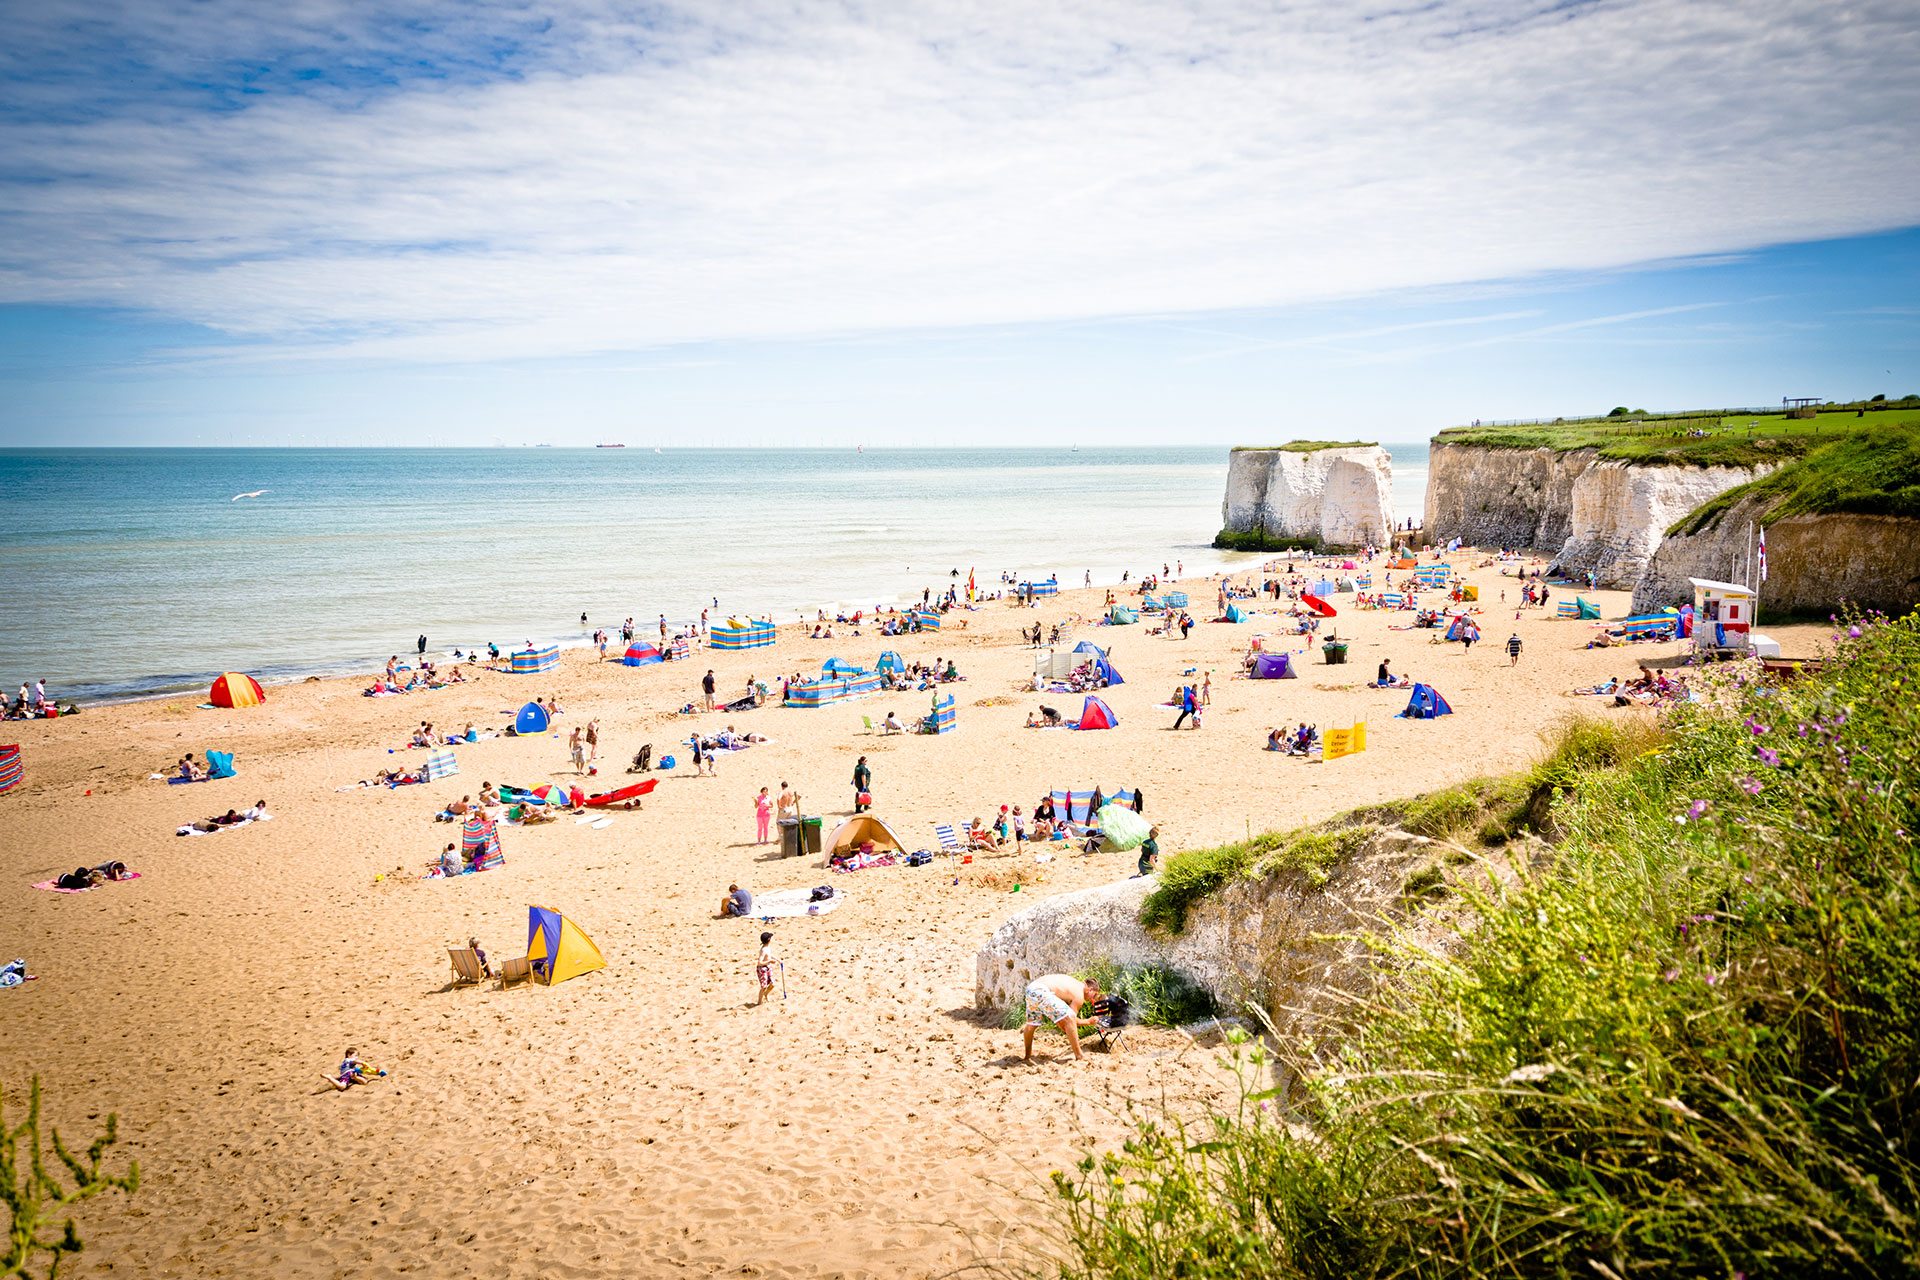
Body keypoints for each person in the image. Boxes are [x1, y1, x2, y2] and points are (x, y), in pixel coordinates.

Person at [1022, 973, 1101, 1063]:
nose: (1093, 1000)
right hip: (1041, 991)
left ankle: (1027, 1057)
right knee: (1070, 1017)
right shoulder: (1080, 995)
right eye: (1094, 995)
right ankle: (1079, 1056)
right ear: (1090, 990)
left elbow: (1064, 1016)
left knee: (1032, 1025)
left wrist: (1062, 1022)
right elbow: (1072, 1019)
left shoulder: (1075, 983)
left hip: (1031, 989)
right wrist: (1088, 1021)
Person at [756, 932, 778, 1006]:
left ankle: (766, 994)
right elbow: (759, 962)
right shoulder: (763, 950)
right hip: (762, 969)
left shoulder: (768, 947)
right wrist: (769, 961)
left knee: (773, 984)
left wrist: (778, 959)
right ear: (769, 939)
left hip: (768, 967)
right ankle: (759, 1002)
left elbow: (769, 955)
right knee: (764, 986)